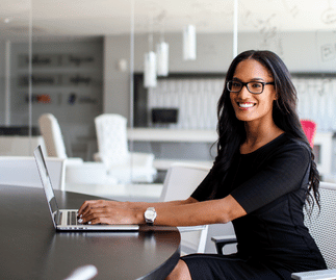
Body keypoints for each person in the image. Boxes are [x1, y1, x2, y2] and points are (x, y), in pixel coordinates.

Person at [78, 50, 327, 280]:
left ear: (276, 91)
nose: (243, 94)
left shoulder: (293, 153)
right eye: (237, 84)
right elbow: (192, 204)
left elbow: (224, 210)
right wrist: (124, 208)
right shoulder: (236, 148)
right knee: (167, 267)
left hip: (293, 270)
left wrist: (135, 214)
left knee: (178, 272)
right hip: (250, 261)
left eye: (256, 85)